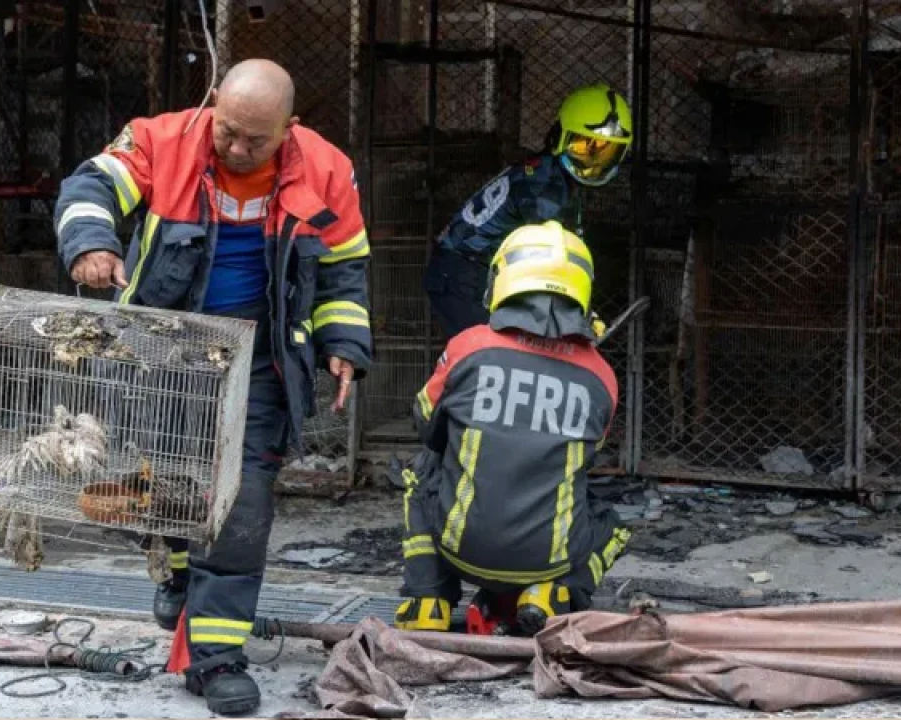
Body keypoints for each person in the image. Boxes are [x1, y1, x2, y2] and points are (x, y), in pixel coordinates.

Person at [52, 58, 373, 715]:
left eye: (256, 139)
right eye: (227, 130)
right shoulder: (160, 140)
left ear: (289, 127)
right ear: (213, 102)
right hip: (160, 354)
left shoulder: (327, 169)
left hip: (261, 363)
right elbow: (89, 185)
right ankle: (176, 570)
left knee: (242, 504)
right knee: (166, 487)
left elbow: (345, 266)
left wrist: (344, 344)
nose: (236, 148)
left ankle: (217, 657)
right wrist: (90, 243)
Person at [396, 219, 631, 638]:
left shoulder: (469, 346)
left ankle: (427, 601)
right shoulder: (602, 377)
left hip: (459, 549)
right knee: (612, 524)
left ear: (502, 278)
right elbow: (587, 456)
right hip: (549, 559)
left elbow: (426, 425)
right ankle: (551, 594)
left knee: (421, 471)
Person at [424, 82, 632, 340]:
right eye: (583, 147)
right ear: (560, 137)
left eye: (607, 152)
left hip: (469, 272)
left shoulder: (547, 172)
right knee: (491, 354)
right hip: (463, 275)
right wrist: (580, 315)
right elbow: (551, 265)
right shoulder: (546, 188)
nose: (594, 163)